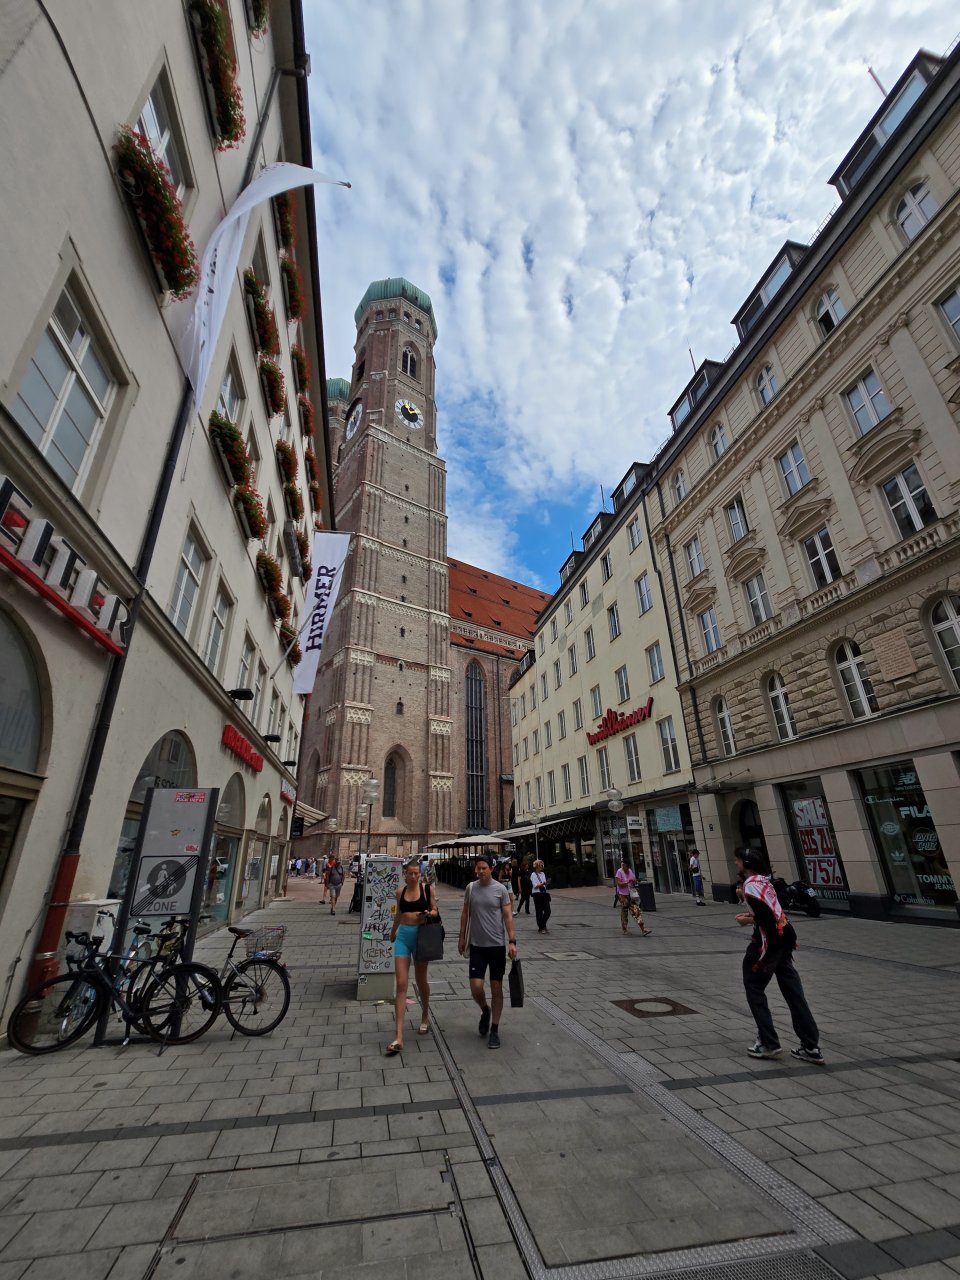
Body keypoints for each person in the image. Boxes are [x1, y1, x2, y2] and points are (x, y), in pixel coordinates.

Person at [734, 846, 824, 1066]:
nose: (735, 863)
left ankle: (768, 1042)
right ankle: (811, 1046)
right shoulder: (764, 881)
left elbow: (766, 919)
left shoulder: (751, 886)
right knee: (793, 991)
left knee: (754, 986)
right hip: (785, 938)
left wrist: (748, 920)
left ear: (746, 864)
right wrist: (754, 915)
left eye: (737, 861)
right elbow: (772, 910)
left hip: (768, 943)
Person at [458, 853, 517, 1049]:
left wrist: (512, 940)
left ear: (492, 868)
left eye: (484, 867)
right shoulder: (471, 888)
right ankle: (485, 1009)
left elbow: (508, 916)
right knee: (476, 987)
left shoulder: (500, 889)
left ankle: (495, 1030)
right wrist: (460, 937)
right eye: (478, 868)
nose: (481, 871)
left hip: (497, 946)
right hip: (476, 946)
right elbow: (465, 913)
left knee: (496, 988)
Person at [386, 859, 439, 1055]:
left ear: (420, 873)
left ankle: (425, 1014)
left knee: (420, 979)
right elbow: (399, 914)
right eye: (411, 873)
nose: (414, 876)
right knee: (401, 984)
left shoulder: (427, 890)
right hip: (403, 938)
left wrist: (429, 913)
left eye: (417, 873)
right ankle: (399, 1036)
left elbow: (435, 910)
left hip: (421, 937)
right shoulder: (400, 892)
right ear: (405, 874)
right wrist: (393, 932)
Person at [614, 856, 653, 935]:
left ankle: (643, 929)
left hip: (631, 895)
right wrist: (627, 882)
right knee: (624, 912)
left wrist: (634, 881)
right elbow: (618, 884)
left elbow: (634, 881)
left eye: (629, 866)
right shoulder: (619, 872)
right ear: (623, 865)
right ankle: (625, 930)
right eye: (626, 866)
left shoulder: (630, 871)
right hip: (623, 895)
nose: (628, 868)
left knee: (637, 911)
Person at [530, 859, 551, 933]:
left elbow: (543, 884)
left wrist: (546, 883)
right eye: (540, 865)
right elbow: (535, 886)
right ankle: (541, 927)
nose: (541, 866)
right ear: (536, 866)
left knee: (548, 911)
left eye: (542, 865)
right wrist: (543, 884)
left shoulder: (543, 874)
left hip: (543, 893)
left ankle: (543, 924)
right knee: (539, 911)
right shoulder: (533, 874)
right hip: (537, 894)